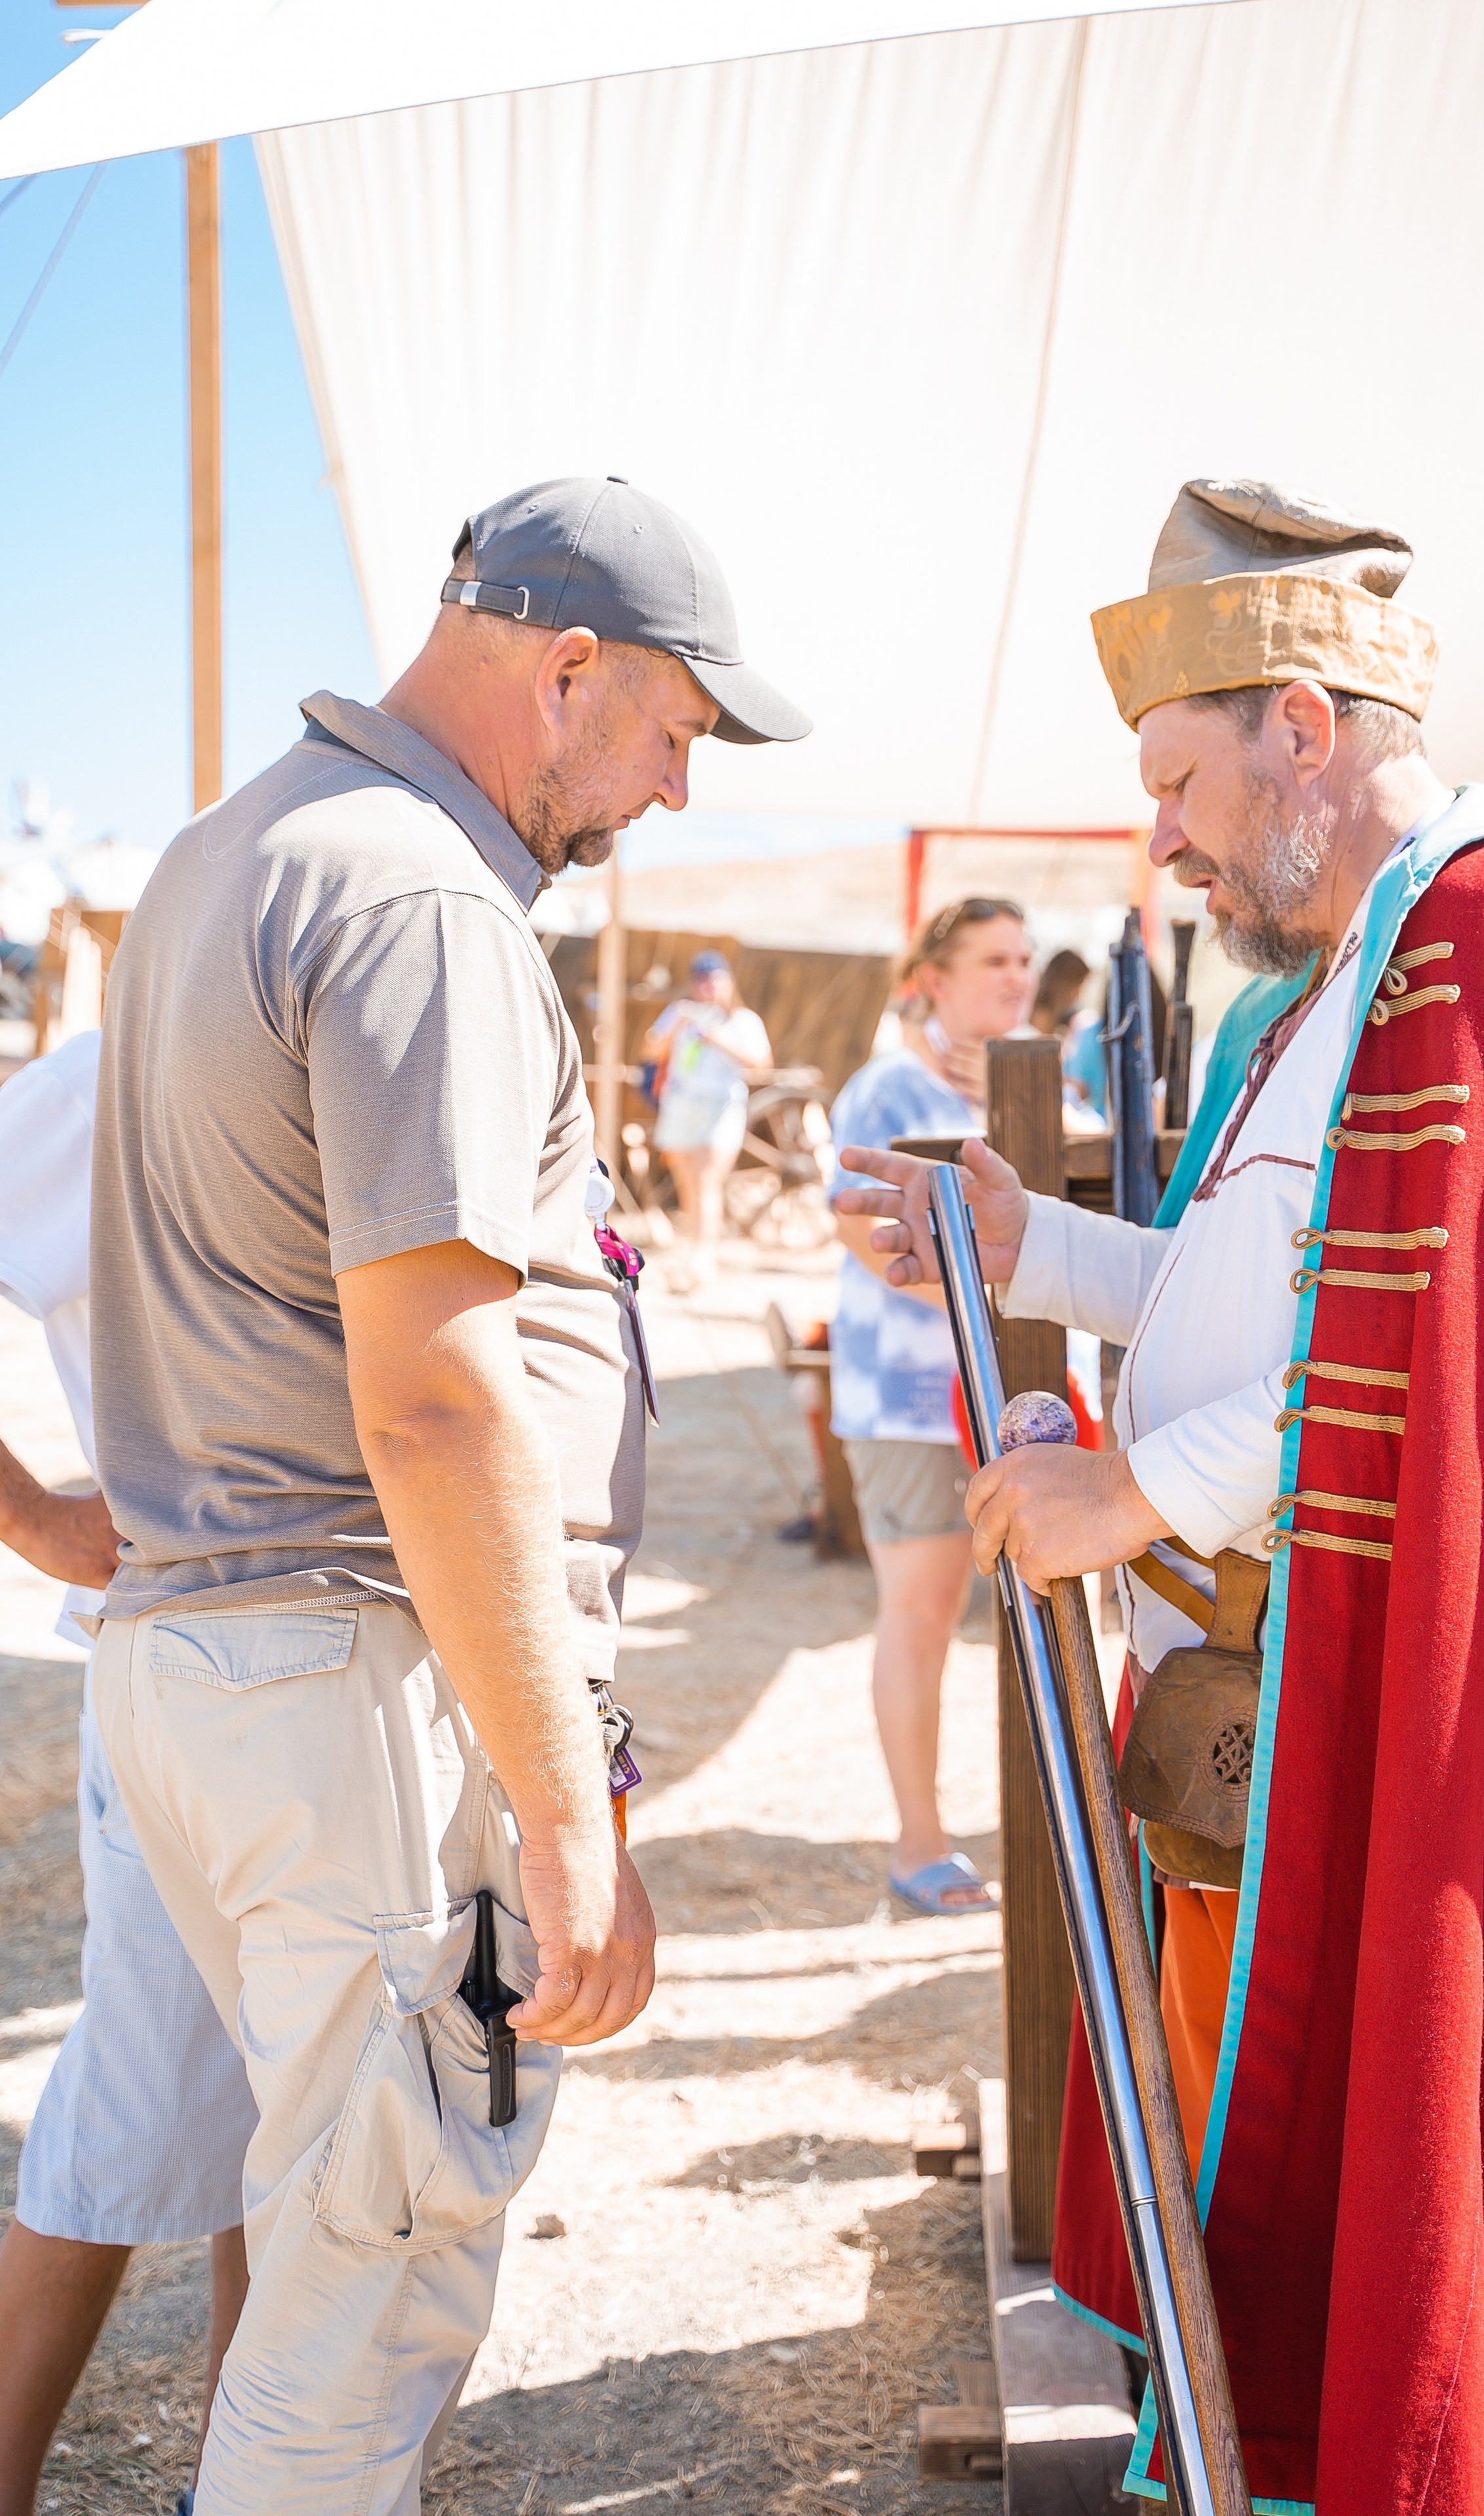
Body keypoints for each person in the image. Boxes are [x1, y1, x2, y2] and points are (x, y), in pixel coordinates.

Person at [839, 478, 1484, 2511]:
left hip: (1378, 1724)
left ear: (1301, 726)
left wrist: (1132, 1493)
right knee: (1249, 2209)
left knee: (1350, 2200)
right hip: (1260, 1721)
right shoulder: (1309, 994)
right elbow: (1259, 1304)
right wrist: (1028, 1240)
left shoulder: (1476, 937)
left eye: (1179, 773)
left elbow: (1432, 1373)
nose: (1163, 830)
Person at [87, 475, 810, 2512]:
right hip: (350, 1684)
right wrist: (569, 1812)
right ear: (564, 666)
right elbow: (434, 1402)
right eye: (673, 729)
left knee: (332, 2250)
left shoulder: (233, 849)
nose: (674, 788)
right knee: (364, 2301)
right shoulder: (418, 892)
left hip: (229, 1657)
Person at [0, 1029, 253, 2516]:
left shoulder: (405, 1016)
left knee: (306, 2116)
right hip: (189, 1660)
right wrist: (33, 1517)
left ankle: (250, 2480)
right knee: (137, 2102)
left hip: (357, 1667)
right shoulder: (114, 1067)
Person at [826, 898, 1035, 1914]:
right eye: (993, 959)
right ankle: (918, 1846)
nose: (1016, 975)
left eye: (1026, 958)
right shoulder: (889, 1090)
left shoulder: (1040, 1086)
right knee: (920, 1619)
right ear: (934, 979)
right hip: (915, 1399)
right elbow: (867, 1241)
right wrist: (1027, 1281)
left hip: (1016, 1395)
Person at [646, 950, 772, 1285]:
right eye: (702, 981)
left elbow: (762, 1065)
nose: (710, 988)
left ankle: (704, 1257)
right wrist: (677, 1029)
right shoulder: (681, 1013)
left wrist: (719, 1040)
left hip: (722, 1107)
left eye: (716, 980)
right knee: (688, 1182)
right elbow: (650, 1051)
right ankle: (695, 1249)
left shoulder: (744, 1021)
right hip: (682, 1104)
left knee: (708, 1181)